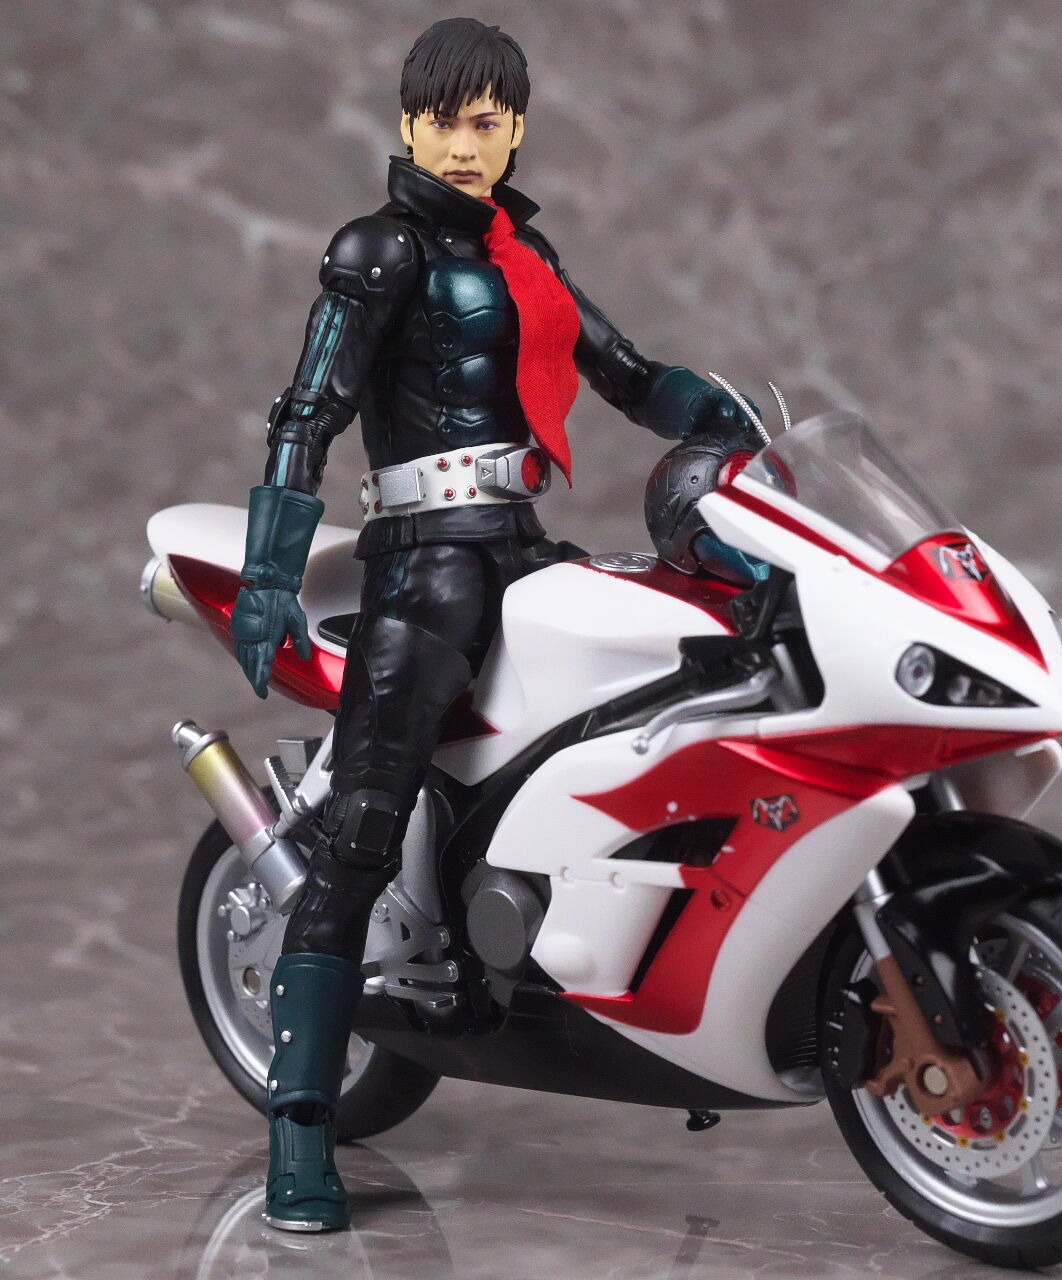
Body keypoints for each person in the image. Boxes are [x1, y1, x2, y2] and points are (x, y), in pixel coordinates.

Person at [228, 17, 759, 1233]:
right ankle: (299, 1127)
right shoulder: (378, 249)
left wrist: (717, 413)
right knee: (362, 826)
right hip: (424, 562)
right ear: (405, 126)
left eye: (484, 121)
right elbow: (308, 410)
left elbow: (626, 373)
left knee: (659, 702)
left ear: (514, 127)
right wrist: (267, 573)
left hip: (522, 547)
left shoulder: (526, 251)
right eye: (440, 122)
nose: (462, 145)